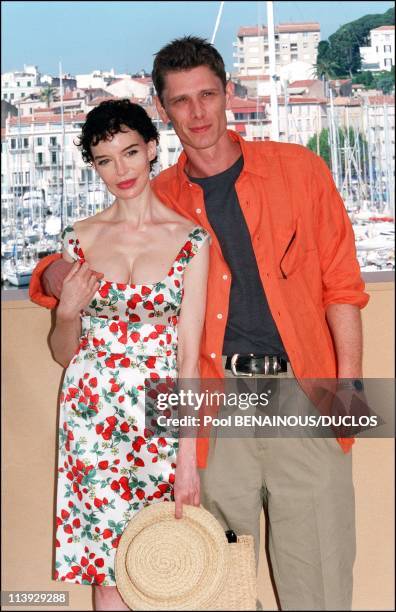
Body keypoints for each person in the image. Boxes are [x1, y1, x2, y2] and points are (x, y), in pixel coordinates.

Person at [29, 37, 369, 611]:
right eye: (181, 101)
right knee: (216, 589)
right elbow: (78, 256)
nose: (198, 112)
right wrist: (57, 272)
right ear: (163, 110)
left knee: (322, 582)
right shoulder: (154, 196)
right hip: (212, 411)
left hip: (304, 394)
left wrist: (353, 388)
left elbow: (343, 286)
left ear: (228, 92)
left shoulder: (301, 172)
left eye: (208, 94)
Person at [46, 99, 210, 611]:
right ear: (94, 167)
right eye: (105, 160)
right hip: (92, 414)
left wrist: (188, 458)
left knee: (165, 565)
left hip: (161, 414)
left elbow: (188, 356)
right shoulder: (81, 239)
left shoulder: (192, 241)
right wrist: (67, 312)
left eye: (130, 153)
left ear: (153, 149)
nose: (121, 171)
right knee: (108, 569)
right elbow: (63, 354)